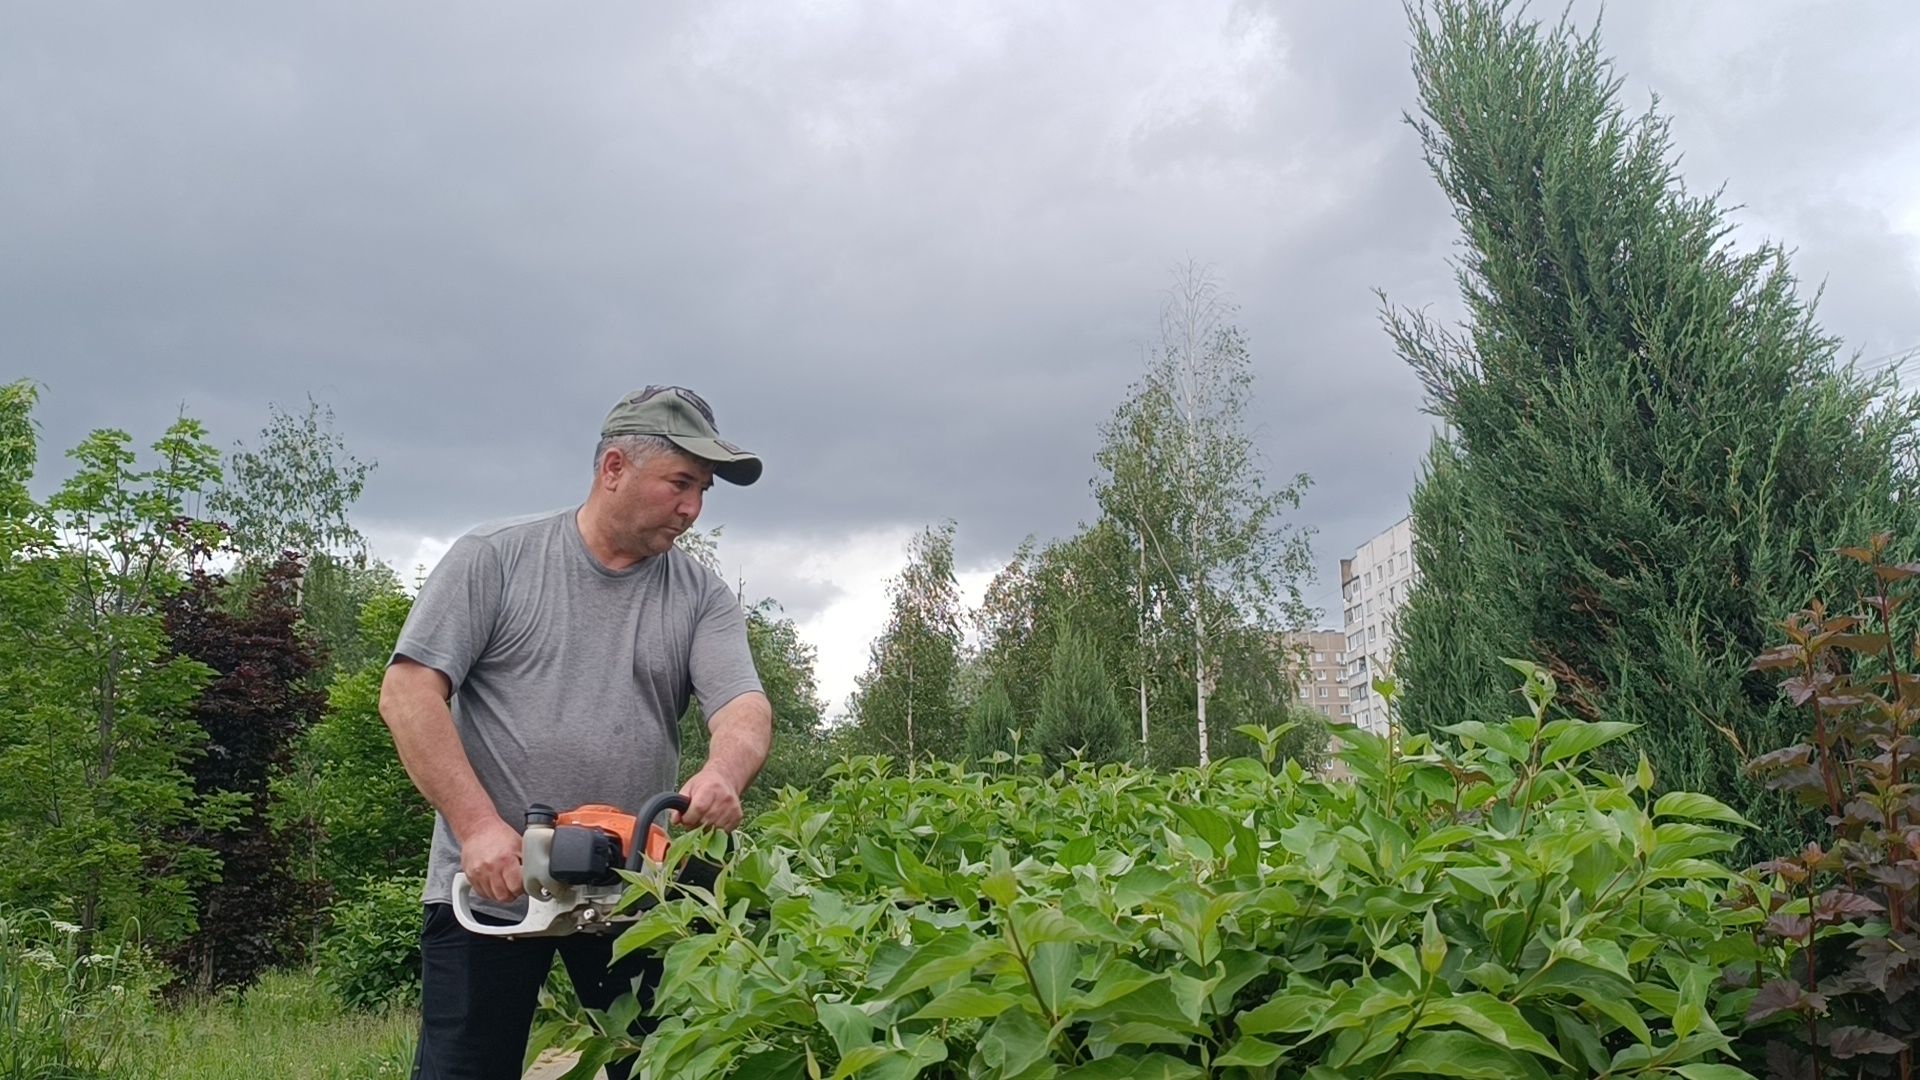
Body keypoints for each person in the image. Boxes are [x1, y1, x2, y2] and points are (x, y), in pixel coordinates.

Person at [380, 385, 774, 1080]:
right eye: (680, 483)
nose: (693, 509)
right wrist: (477, 829)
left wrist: (723, 773)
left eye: (704, 490)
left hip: (635, 889)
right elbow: (409, 693)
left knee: (663, 1067)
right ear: (614, 468)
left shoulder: (701, 596)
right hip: (492, 883)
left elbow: (743, 706)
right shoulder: (494, 559)